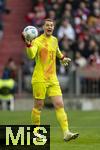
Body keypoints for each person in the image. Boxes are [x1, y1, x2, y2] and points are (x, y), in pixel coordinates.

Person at [22, 18, 79, 141]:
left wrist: (62, 58)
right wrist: (28, 43)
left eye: (51, 25)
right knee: (39, 106)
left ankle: (66, 132)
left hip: (53, 78)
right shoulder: (37, 41)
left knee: (59, 104)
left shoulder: (54, 40)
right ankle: (35, 133)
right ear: (43, 27)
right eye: (47, 25)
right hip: (40, 78)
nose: (50, 27)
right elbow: (31, 55)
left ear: (53, 28)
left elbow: (56, 51)